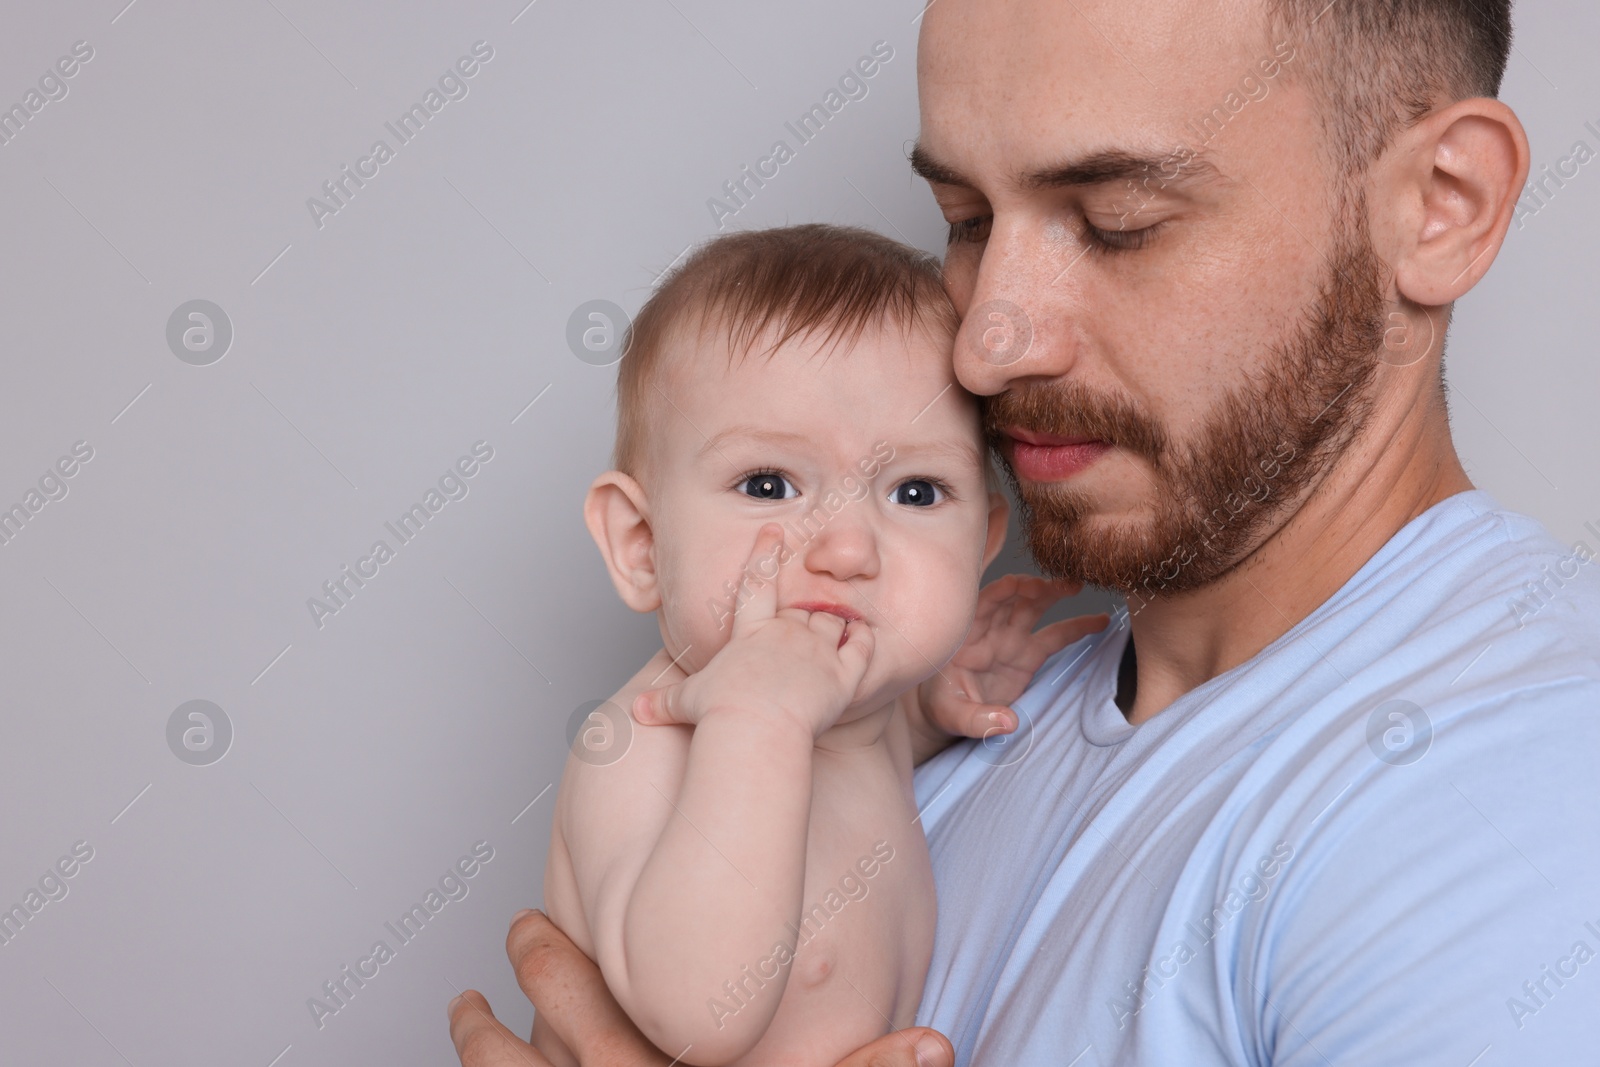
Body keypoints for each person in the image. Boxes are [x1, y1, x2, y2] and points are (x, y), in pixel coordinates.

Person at [451, 0, 1600, 1063]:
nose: (984, 345)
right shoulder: (942, 700)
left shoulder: (1517, 796)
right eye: (963, 220)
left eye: (1117, 223)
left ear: (1440, 204)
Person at [532, 224, 1106, 1067]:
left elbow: (846, 765)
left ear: (981, 544)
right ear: (642, 545)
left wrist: (928, 702)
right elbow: (698, 1013)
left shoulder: (855, 723)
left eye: (915, 491)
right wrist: (757, 720)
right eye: (768, 484)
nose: (846, 548)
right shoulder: (641, 748)